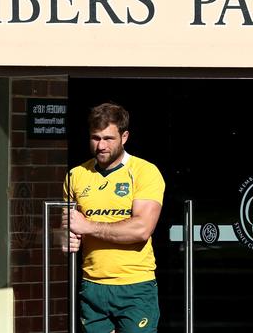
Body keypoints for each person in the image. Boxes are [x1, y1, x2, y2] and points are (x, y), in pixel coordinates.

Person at [62, 102, 165, 333]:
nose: (101, 146)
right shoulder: (76, 176)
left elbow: (141, 229)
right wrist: (65, 237)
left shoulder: (144, 171)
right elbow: (66, 227)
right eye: (95, 138)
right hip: (92, 286)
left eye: (108, 138)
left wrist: (88, 226)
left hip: (135, 286)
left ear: (124, 136)